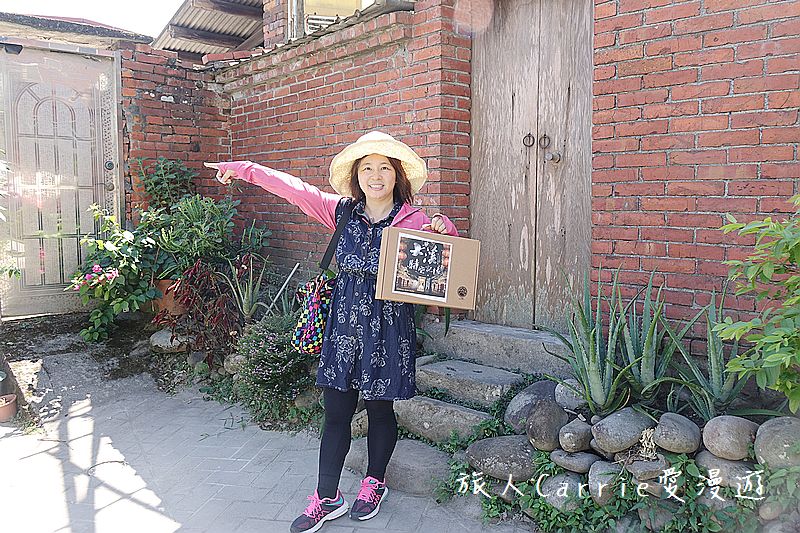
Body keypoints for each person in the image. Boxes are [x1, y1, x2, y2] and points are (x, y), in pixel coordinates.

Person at [208, 131, 458, 533]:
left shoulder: (415, 220)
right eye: (367, 169)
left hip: (389, 329)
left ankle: (374, 483)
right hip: (342, 329)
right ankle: (327, 496)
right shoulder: (340, 212)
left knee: (380, 410)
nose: (375, 176)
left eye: (384, 169)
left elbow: (446, 264)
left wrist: (447, 232)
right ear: (356, 176)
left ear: (397, 176)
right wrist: (243, 170)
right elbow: (294, 190)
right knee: (336, 414)